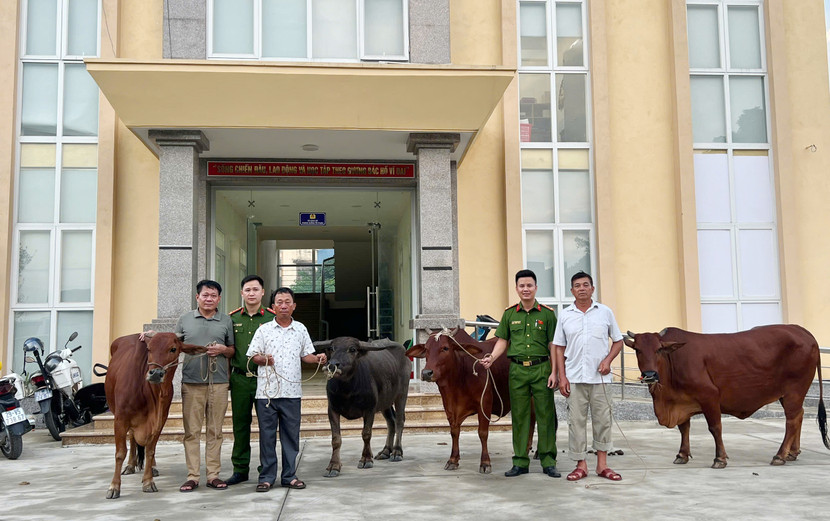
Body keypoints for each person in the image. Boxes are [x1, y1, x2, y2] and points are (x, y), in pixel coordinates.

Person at [481, 269, 560, 478]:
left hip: (542, 369)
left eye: (529, 285)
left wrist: (555, 371)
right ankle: (520, 461)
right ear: (516, 289)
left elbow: (554, 344)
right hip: (516, 370)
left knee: (546, 416)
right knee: (520, 416)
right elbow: (502, 341)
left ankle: (548, 460)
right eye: (522, 286)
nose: (526, 289)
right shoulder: (509, 314)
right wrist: (492, 358)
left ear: (535, 288)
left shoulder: (547, 314)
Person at [246, 287, 326, 492]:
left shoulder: (300, 329)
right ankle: (266, 477)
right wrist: (262, 359)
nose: (283, 305)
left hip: (292, 392)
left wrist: (317, 358)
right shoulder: (263, 330)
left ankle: (289, 475)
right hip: (267, 393)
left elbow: (306, 355)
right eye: (279, 302)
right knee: (267, 436)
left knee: (291, 436)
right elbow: (253, 356)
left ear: (294, 306)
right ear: (273, 307)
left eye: (287, 302)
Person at [554, 271, 624, 482]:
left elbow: (618, 341)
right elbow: (559, 347)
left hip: (600, 379)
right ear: (572, 291)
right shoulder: (566, 315)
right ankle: (580, 465)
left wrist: (608, 361)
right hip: (574, 378)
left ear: (593, 289)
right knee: (576, 422)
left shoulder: (605, 312)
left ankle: (602, 465)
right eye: (577, 285)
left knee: (603, 421)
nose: (582, 288)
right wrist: (562, 377)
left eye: (586, 284)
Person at [176, 279, 235, 492]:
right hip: (191, 383)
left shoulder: (225, 321)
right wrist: (150, 337)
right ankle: (192, 476)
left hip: (219, 382)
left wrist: (222, 349)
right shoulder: (184, 320)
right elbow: (173, 346)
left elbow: (232, 350)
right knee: (192, 431)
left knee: (215, 430)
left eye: (213, 296)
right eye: (205, 295)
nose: (209, 299)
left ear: (219, 298)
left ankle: (213, 475)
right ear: (197, 297)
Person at [224, 275, 276, 486]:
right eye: (248, 290)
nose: (252, 293)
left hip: (265, 378)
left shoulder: (271, 318)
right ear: (242, 293)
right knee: (241, 425)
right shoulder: (232, 318)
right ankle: (240, 468)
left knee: (267, 426)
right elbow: (228, 350)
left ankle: (266, 469)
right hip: (240, 381)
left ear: (263, 292)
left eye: (256, 289)